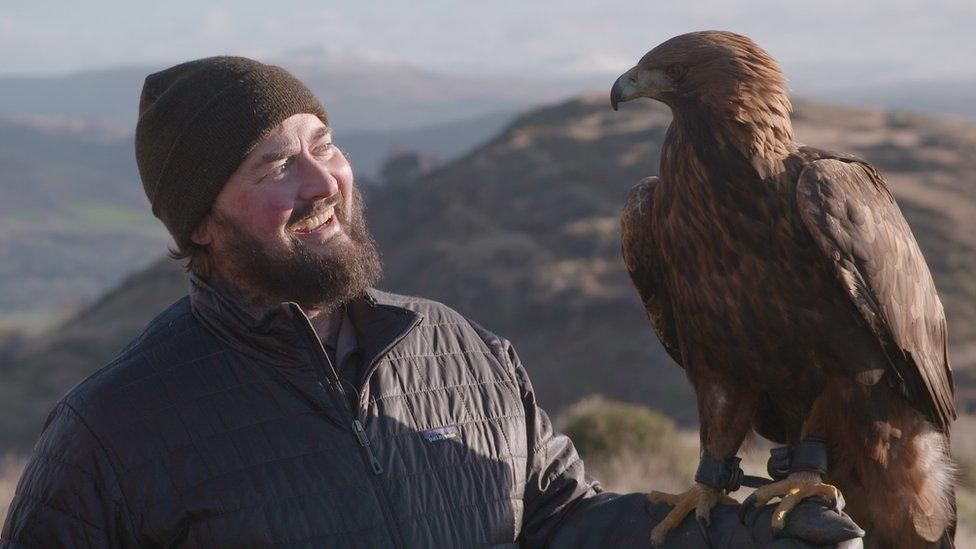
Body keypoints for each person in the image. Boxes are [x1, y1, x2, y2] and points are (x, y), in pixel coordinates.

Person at [1, 57, 861, 548]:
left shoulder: (463, 350)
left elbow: (555, 523)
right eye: (273, 166)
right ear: (199, 225)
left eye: (323, 144)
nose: (322, 183)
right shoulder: (112, 429)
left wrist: (736, 539)